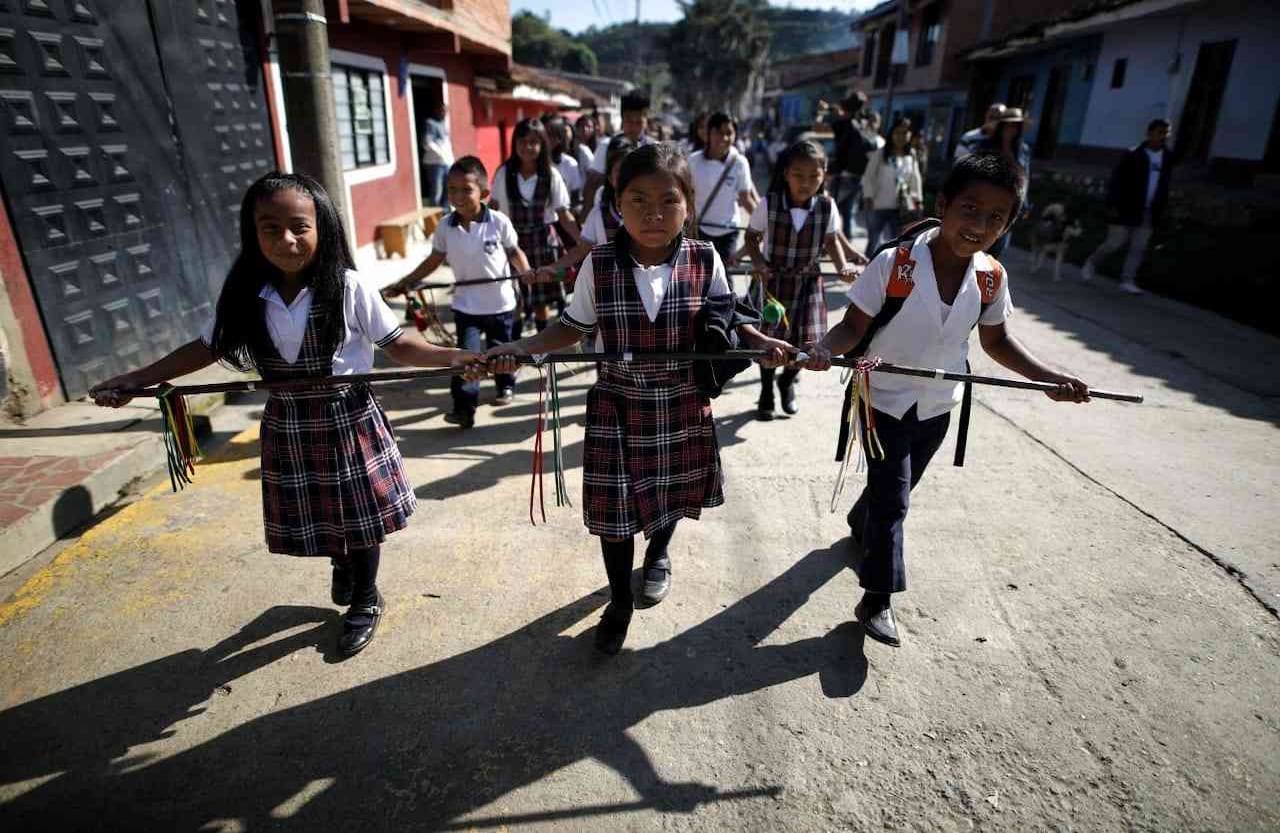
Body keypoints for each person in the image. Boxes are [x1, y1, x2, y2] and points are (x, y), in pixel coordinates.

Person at [88, 172, 478, 657]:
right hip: (290, 424)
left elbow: (400, 347)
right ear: (252, 234)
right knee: (323, 514)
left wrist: (459, 357)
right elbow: (206, 349)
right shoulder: (245, 293)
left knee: (359, 519)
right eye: (270, 229)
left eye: (299, 227)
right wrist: (137, 380)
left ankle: (365, 598)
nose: (286, 240)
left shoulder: (349, 286)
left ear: (324, 229)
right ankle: (344, 562)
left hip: (348, 420)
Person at [476, 143, 793, 655]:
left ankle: (661, 553)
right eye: (638, 199)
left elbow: (728, 317)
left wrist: (764, 344)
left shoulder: (704, 257)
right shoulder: (599, 265)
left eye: (668, 200)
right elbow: (570, 326)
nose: (653, 213)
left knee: (668, 495)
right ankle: (619, 601)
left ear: (688, 204)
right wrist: (523, 347)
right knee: (614, 514)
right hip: (617, 407)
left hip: (681, 405)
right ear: (616, 203)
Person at [799, 153, 1091, 648]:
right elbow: (853, 326)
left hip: (939, 405)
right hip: (882, 398)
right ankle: (877, 598)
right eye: (970, 209)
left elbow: (997, 343)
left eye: (995, 217)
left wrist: (1048, 378)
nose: (979, 225)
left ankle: (859, 521)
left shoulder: (991, 277)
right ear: (943, 204)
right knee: (895, 499)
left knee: (895, 489)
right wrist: (825, 348)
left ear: (1008, 225)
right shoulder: (896, 264)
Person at [386, 157, 531, 427]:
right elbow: (433, 260)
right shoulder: (445, 226)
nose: (458, 196)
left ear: (484, 193)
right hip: (466, 306)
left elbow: (514, 252)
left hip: (500, 304)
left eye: (466, 189)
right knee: (465, 358)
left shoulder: (498, 222)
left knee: (502, 352)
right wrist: (407, 281)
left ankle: (506, 385)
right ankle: (465, 408)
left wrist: (526, 273)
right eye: (452, 189)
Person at [744, 139, 864, 421]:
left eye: (814, 175)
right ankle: (766, 392)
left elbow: (833, 241)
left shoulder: (826, 206)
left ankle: (787, 381)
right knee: (770, 341)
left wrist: (843, 266)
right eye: (798, 175)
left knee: (807, 342)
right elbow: (751, 237)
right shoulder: (769, 203)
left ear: (824, 175)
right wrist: (759, 263)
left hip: (808, 283)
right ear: (786, 173)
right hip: (773, 283)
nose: (805, 182)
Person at [489, 118, 582, 333]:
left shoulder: (551, 175)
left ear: (542, 145)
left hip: (543, 244)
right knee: (515, 299)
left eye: (533, 142)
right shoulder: (504, 173)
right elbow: (492, 209)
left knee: (541, 303)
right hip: (512, 243)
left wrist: (583, 241)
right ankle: (515, 346)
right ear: (514, 143)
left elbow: (563, 214)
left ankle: (540, 346)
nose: (528, 147)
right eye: (522, 141)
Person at [1081, 119, 1173, 294]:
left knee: (1139, 246)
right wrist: (1113, 204)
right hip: (1126, 208)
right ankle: (1092, 262)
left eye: (1166, 133)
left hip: (1150, 210)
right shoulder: (1134, 155)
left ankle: (1127, 279)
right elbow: (1117, 181)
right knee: (1114, 243)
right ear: (1150, 133)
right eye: (1160, 132)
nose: (1163, 137)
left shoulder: (1167, 157)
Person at [541, 136, 637, 275]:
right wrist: (553, 269)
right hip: (611, 285)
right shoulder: (600, 213)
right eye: (619, 171)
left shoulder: (649, 210)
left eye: (630, 171)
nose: (625, 177)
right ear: (610, 178)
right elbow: (582, 249)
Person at [689, 112, 757, 265]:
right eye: (719, 133)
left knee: (725, 280)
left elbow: (746, 198)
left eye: (729, 133)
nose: (724, 138)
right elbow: (686, 196)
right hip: (700, 230)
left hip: (728, 232)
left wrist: (763, 221)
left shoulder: (740, 163)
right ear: (708, 134)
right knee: (701, 280)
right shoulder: (693, 161)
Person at [967, 108, 1031, 257]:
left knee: (996, 245)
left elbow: (1024, 177)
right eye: (1009, 125)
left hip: (1007, 203)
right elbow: (972, 171)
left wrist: (1024, 204)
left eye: (1016, 126)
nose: (1012, 129)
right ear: (1001, 126)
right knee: (975, 241)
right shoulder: (983, 145)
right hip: (983, 199)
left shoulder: (1023, 150)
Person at [860, 116, 924, 252]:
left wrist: (918, 200)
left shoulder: (911, 155)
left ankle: (889, 270)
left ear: (910, 135)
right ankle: (870, 268)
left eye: (905, 133)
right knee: (874, 241)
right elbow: (868, 176)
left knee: (896, 243)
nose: (901, 136)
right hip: (878, 205)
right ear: (892, 134)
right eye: (898, 132)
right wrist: (868, 197)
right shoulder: (881, 154)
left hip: (901, 207)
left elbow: (915, 178)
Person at [583, 92, 653, 210]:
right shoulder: (606, 145)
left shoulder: (654, 148)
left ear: (646, 121)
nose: (634, 127)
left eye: (639, 122)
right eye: (629, 121)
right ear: (622, 119)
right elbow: (592, 183)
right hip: (611, 212)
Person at [830, 92, 875, 240]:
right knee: (848, 211)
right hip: (858, 175)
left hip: (843, 174)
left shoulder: (846, 124)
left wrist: (833, 111)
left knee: (832, 210)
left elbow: (830, 126)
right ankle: (846, 241)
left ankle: (831, 243)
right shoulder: (863, 124)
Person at [420, 100, 453, 208]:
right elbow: (427, 143)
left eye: (446, 111)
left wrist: (451, 160)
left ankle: (446, 215)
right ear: (437, 111)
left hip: (446, 163)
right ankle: (434, 218)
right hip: (434, 164)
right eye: (442, 111)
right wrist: (441, 154)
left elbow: (447, 145)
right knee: (436, 192)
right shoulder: (431, 123)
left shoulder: (444, 125)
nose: (444, 113)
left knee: (449, 190)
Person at [546, 117, 583, 213]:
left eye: (553, 136)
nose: (548, 140)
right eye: (546, 135)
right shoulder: (533, 163)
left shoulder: (570, 164)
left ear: (560, 139)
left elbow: (575, 198)